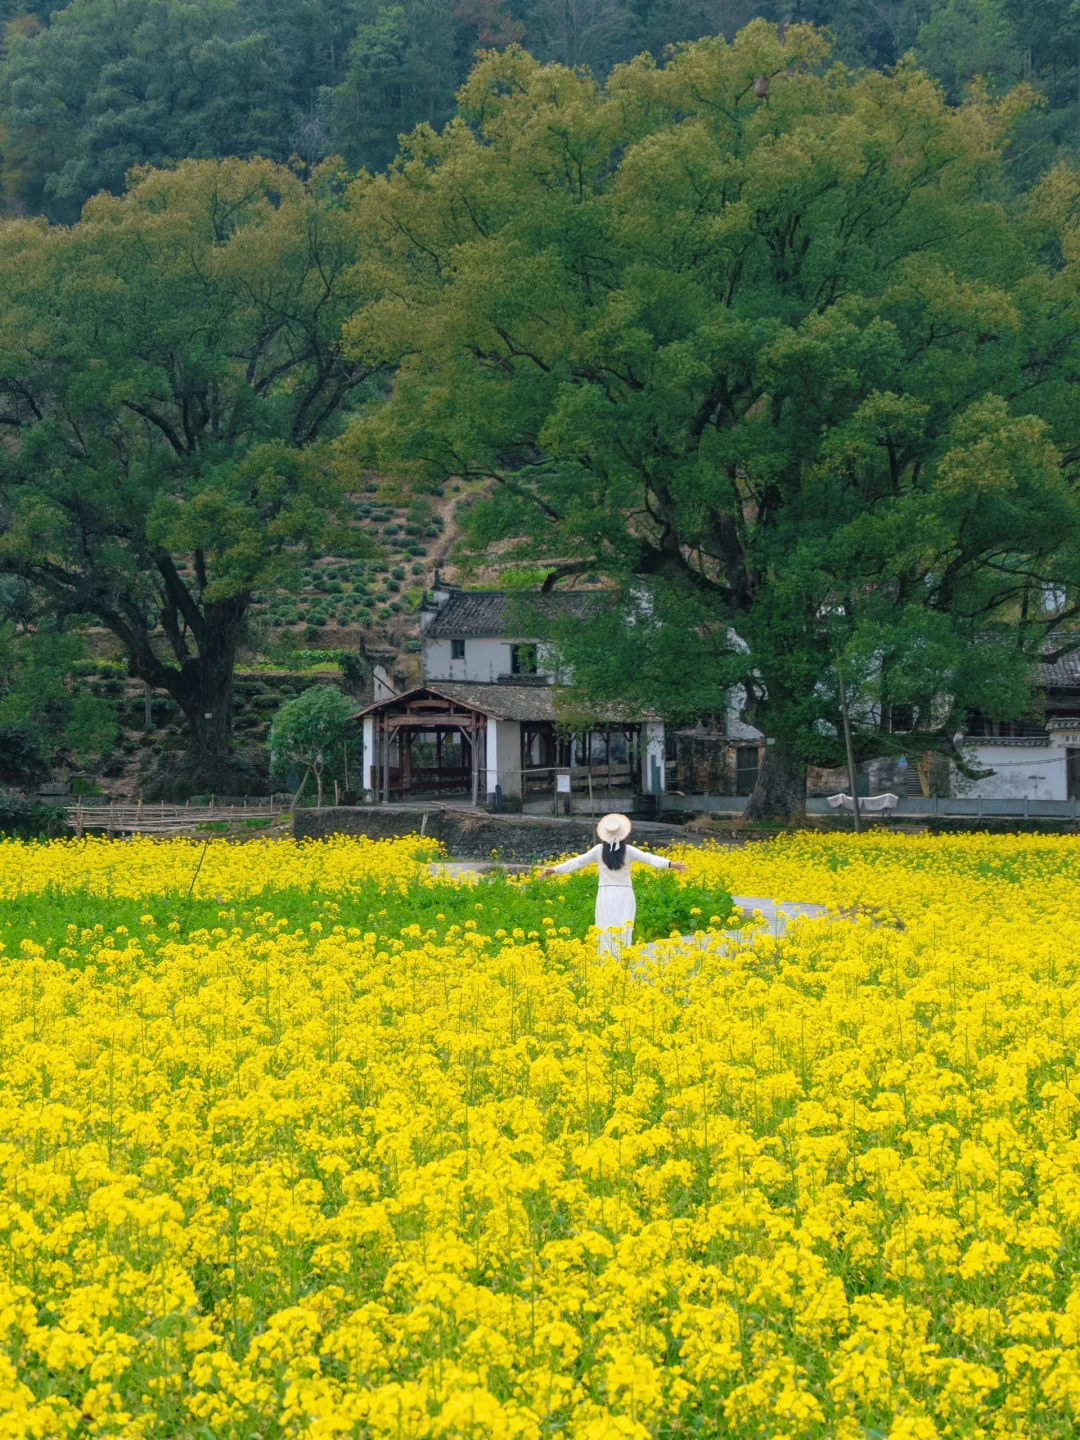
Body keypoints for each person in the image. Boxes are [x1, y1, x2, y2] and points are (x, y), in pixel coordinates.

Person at [540, 812, 687, 954]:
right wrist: (670, 864)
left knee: (604, 928)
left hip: (605, 894)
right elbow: (648, 858)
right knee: (624, 928)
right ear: (624, 834)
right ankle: (623, 958)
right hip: (624, 894)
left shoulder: (598, 850)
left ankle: (606, 962)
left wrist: (555, 869)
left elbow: (578, 861)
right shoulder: (629, 850)